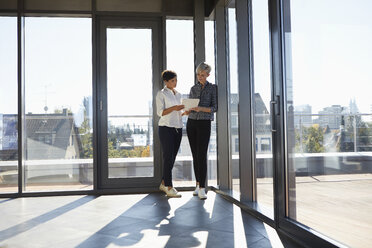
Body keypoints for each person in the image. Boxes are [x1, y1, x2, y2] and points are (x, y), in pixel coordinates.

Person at [185, 62, 217, 199]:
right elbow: (191, 105)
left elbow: (214, 108)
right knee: (195, 155)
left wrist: (201, 109)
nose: (200, 77)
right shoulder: (193, 88)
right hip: (191, 122)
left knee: (202, 155)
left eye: (202, 75)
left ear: (208, 75)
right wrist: (188, 110)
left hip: (204, 123)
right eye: (198, 74)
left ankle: (203, 188)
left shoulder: (213, 88)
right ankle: (197, 184)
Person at [156, 70, 185, 197]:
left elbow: (178, 112)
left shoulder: (178, 94)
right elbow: (160, 112)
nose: (175, 82)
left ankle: (163, 183)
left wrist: (184, 112)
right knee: (168, 157)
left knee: (172, 157)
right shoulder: (161, 94)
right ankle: (169, 186)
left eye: (176, 80)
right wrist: (175, 108)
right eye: (172, 80)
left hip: (178, 128)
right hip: (165, 128)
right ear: (166, 81)